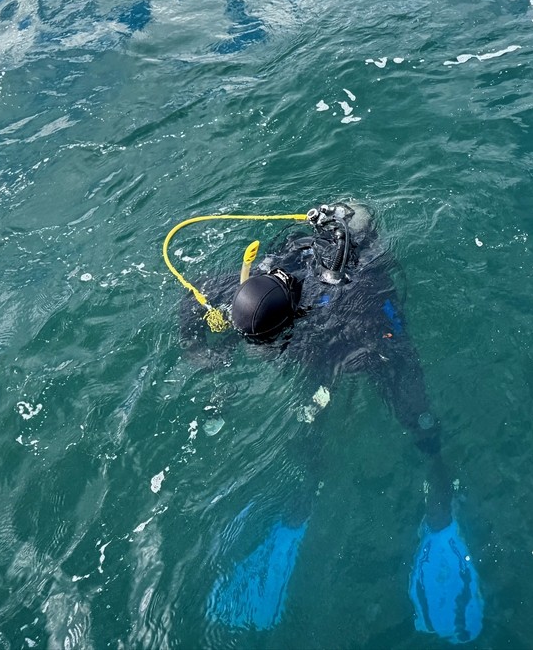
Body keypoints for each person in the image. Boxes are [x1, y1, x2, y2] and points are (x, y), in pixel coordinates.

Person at [177, 201, 484, 644]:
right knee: (310, 433)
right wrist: (204, 355)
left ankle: (439, 511)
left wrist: (350, 370)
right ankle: (301, 503)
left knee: (420, 426)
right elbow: (191, 303)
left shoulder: (346, 301)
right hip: (322, 337)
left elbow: (383, 349)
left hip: (370, 335)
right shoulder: (248, 286)